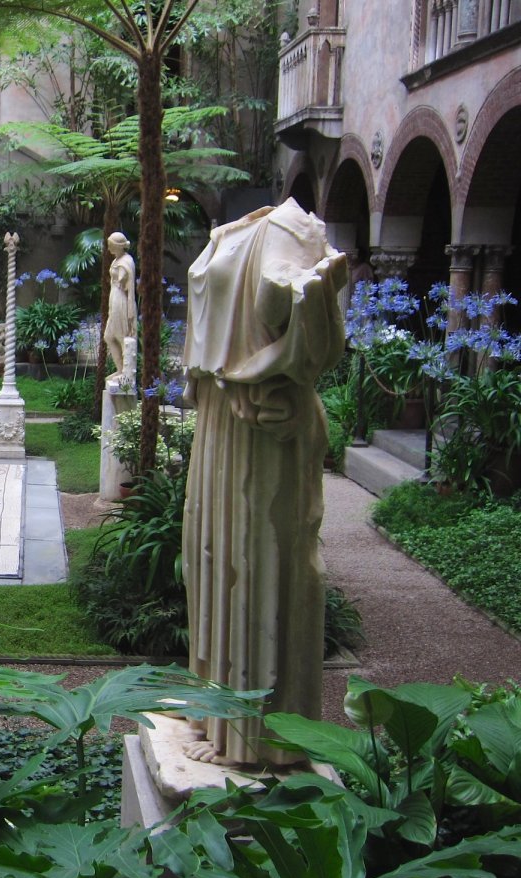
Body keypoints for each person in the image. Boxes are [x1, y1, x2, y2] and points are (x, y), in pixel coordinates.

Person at [180, 199, 346, 766]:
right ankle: (215, 713)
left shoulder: (291, 230)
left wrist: (272, 366)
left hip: (258, 420)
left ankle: (254, 737)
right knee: (212, 558)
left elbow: (312, 327)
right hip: (220, 417)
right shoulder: (232, 231)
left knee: (253, 561)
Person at [102, 232, 137, 374]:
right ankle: (120, 369)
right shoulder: (116, 260)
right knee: (108, 336)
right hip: (114, 297)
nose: (109, 248)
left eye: (111, 245)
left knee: (122, 336)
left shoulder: (125, 261)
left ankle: (126, 374)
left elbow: (123, 278)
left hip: (120, 300)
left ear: (118, 246)